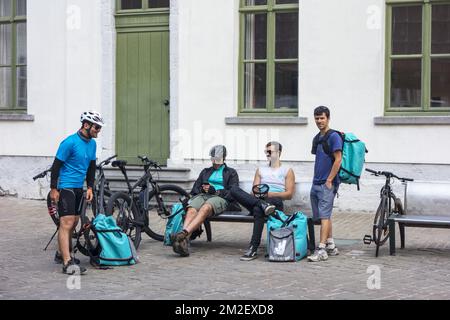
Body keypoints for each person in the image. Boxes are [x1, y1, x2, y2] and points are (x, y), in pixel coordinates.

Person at [50, 111, 104, 274]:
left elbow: (91, 167)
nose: (98, 130)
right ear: (86, 125)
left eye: (100, 128)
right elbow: (56, 166)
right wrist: (53, 189)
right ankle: (67, 262)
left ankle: (61, 253)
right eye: (96, 127)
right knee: (66, 224)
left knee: (73, 223)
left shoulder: (92, 144)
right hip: (66, 186)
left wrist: (89, 187)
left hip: (79, 188)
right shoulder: (69, 142)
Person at [230, 141, 296, 261]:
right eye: (266, 151)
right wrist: (258, 195)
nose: (267, 154)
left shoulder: (287, 170)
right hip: (260, 199)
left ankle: (253, 248)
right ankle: (262, 205)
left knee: (257, 209)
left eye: (270, 151)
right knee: (234, 190)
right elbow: (253, 191)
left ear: (279, 153)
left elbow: (289, 194)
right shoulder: (260, 170)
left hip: (275, 202)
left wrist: (269, 194)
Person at [171, 145, 240, 257]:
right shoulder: (206, 171)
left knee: (206, 208)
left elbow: (233, 192)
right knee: (191, 209)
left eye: (217, 158)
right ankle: (183, 240)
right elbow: (195, 189)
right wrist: (202, 189)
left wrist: (216, 191)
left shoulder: (231, 172)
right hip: (203, 195)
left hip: (220, 198)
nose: (215, 161)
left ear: (223, 158)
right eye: (213, 158)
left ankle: (183, 235)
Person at [308, 106, 343, 262]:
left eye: (322, 118)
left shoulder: (334, 136)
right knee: (324, 216)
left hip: (327, 183)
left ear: (328, 118)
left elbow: (338, 159)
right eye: (316, 118)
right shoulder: (316, 138)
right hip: (316, 182)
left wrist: (329, 180)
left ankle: (321, 249)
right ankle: (330, 245)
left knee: (324, 216)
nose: (319, 121)